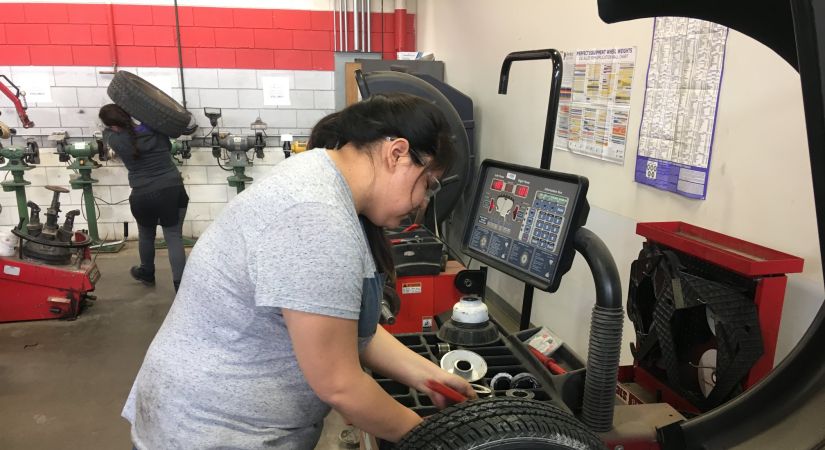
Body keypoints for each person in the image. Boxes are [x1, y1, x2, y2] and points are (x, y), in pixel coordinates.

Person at [122, 92, 476, 449]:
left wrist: (431, 377)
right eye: (428, 184)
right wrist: (438, 441)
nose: (423, 203)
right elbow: (340, 384)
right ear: (396, 153)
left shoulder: (321, 177)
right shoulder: (315, 216)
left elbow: (348, 330)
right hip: (213, 432)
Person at [99, 104, 189, 292]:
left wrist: (111, 127)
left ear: (113, 125)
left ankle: (147, 273)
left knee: (146, 235)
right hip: (171, 189)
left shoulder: (115, 139)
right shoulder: (156, 129)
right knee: (173, 237)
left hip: (142, 194)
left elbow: (106, 134)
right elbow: (167, 139)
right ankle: (181, 286)